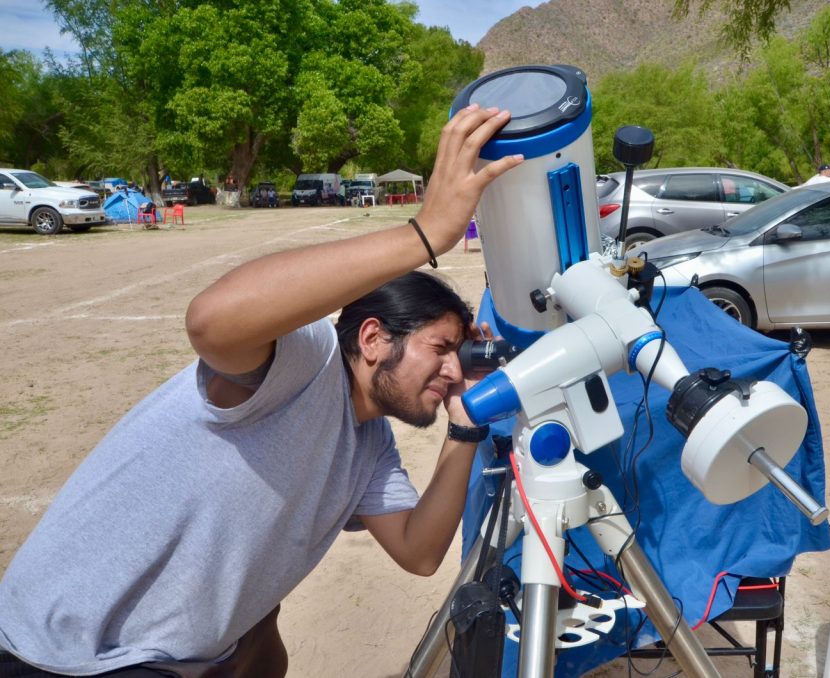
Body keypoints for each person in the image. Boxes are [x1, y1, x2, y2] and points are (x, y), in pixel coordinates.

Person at [0, 104, 522, 678]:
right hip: (65, 654)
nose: (451, 370)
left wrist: (466, 422)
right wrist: (424, 234)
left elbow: (419, 552)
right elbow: (211, 321)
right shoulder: (308, 360)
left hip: (172, 662)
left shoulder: (369, 446)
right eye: (441, 347)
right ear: (372, 338)